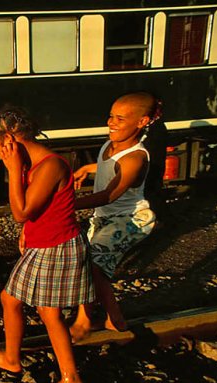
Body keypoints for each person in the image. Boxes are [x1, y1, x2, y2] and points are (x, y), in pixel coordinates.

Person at [0, 106, 94, 383]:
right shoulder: (35, 165)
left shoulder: (50, 166)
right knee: (11, 299)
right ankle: (13, 359)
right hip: (43, 244)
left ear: (10, 140)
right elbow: (35, 211)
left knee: (49, 312)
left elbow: (20, 211)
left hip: (57, 246)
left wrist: (12, 169)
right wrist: (27, 231)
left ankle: (71, 378)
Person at [69, 92, 159, 342]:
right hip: (103, 219)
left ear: (142, 122)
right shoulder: (110, 145)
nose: (111, 122)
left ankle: (86, 321)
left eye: (120, 118)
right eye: (111, 116)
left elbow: (110, 195)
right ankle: (113, 318)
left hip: (130, 219)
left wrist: (66, 204)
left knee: (94, 267)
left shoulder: (136, 157)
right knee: (83, 262)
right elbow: (111, 166)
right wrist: (88, 168)